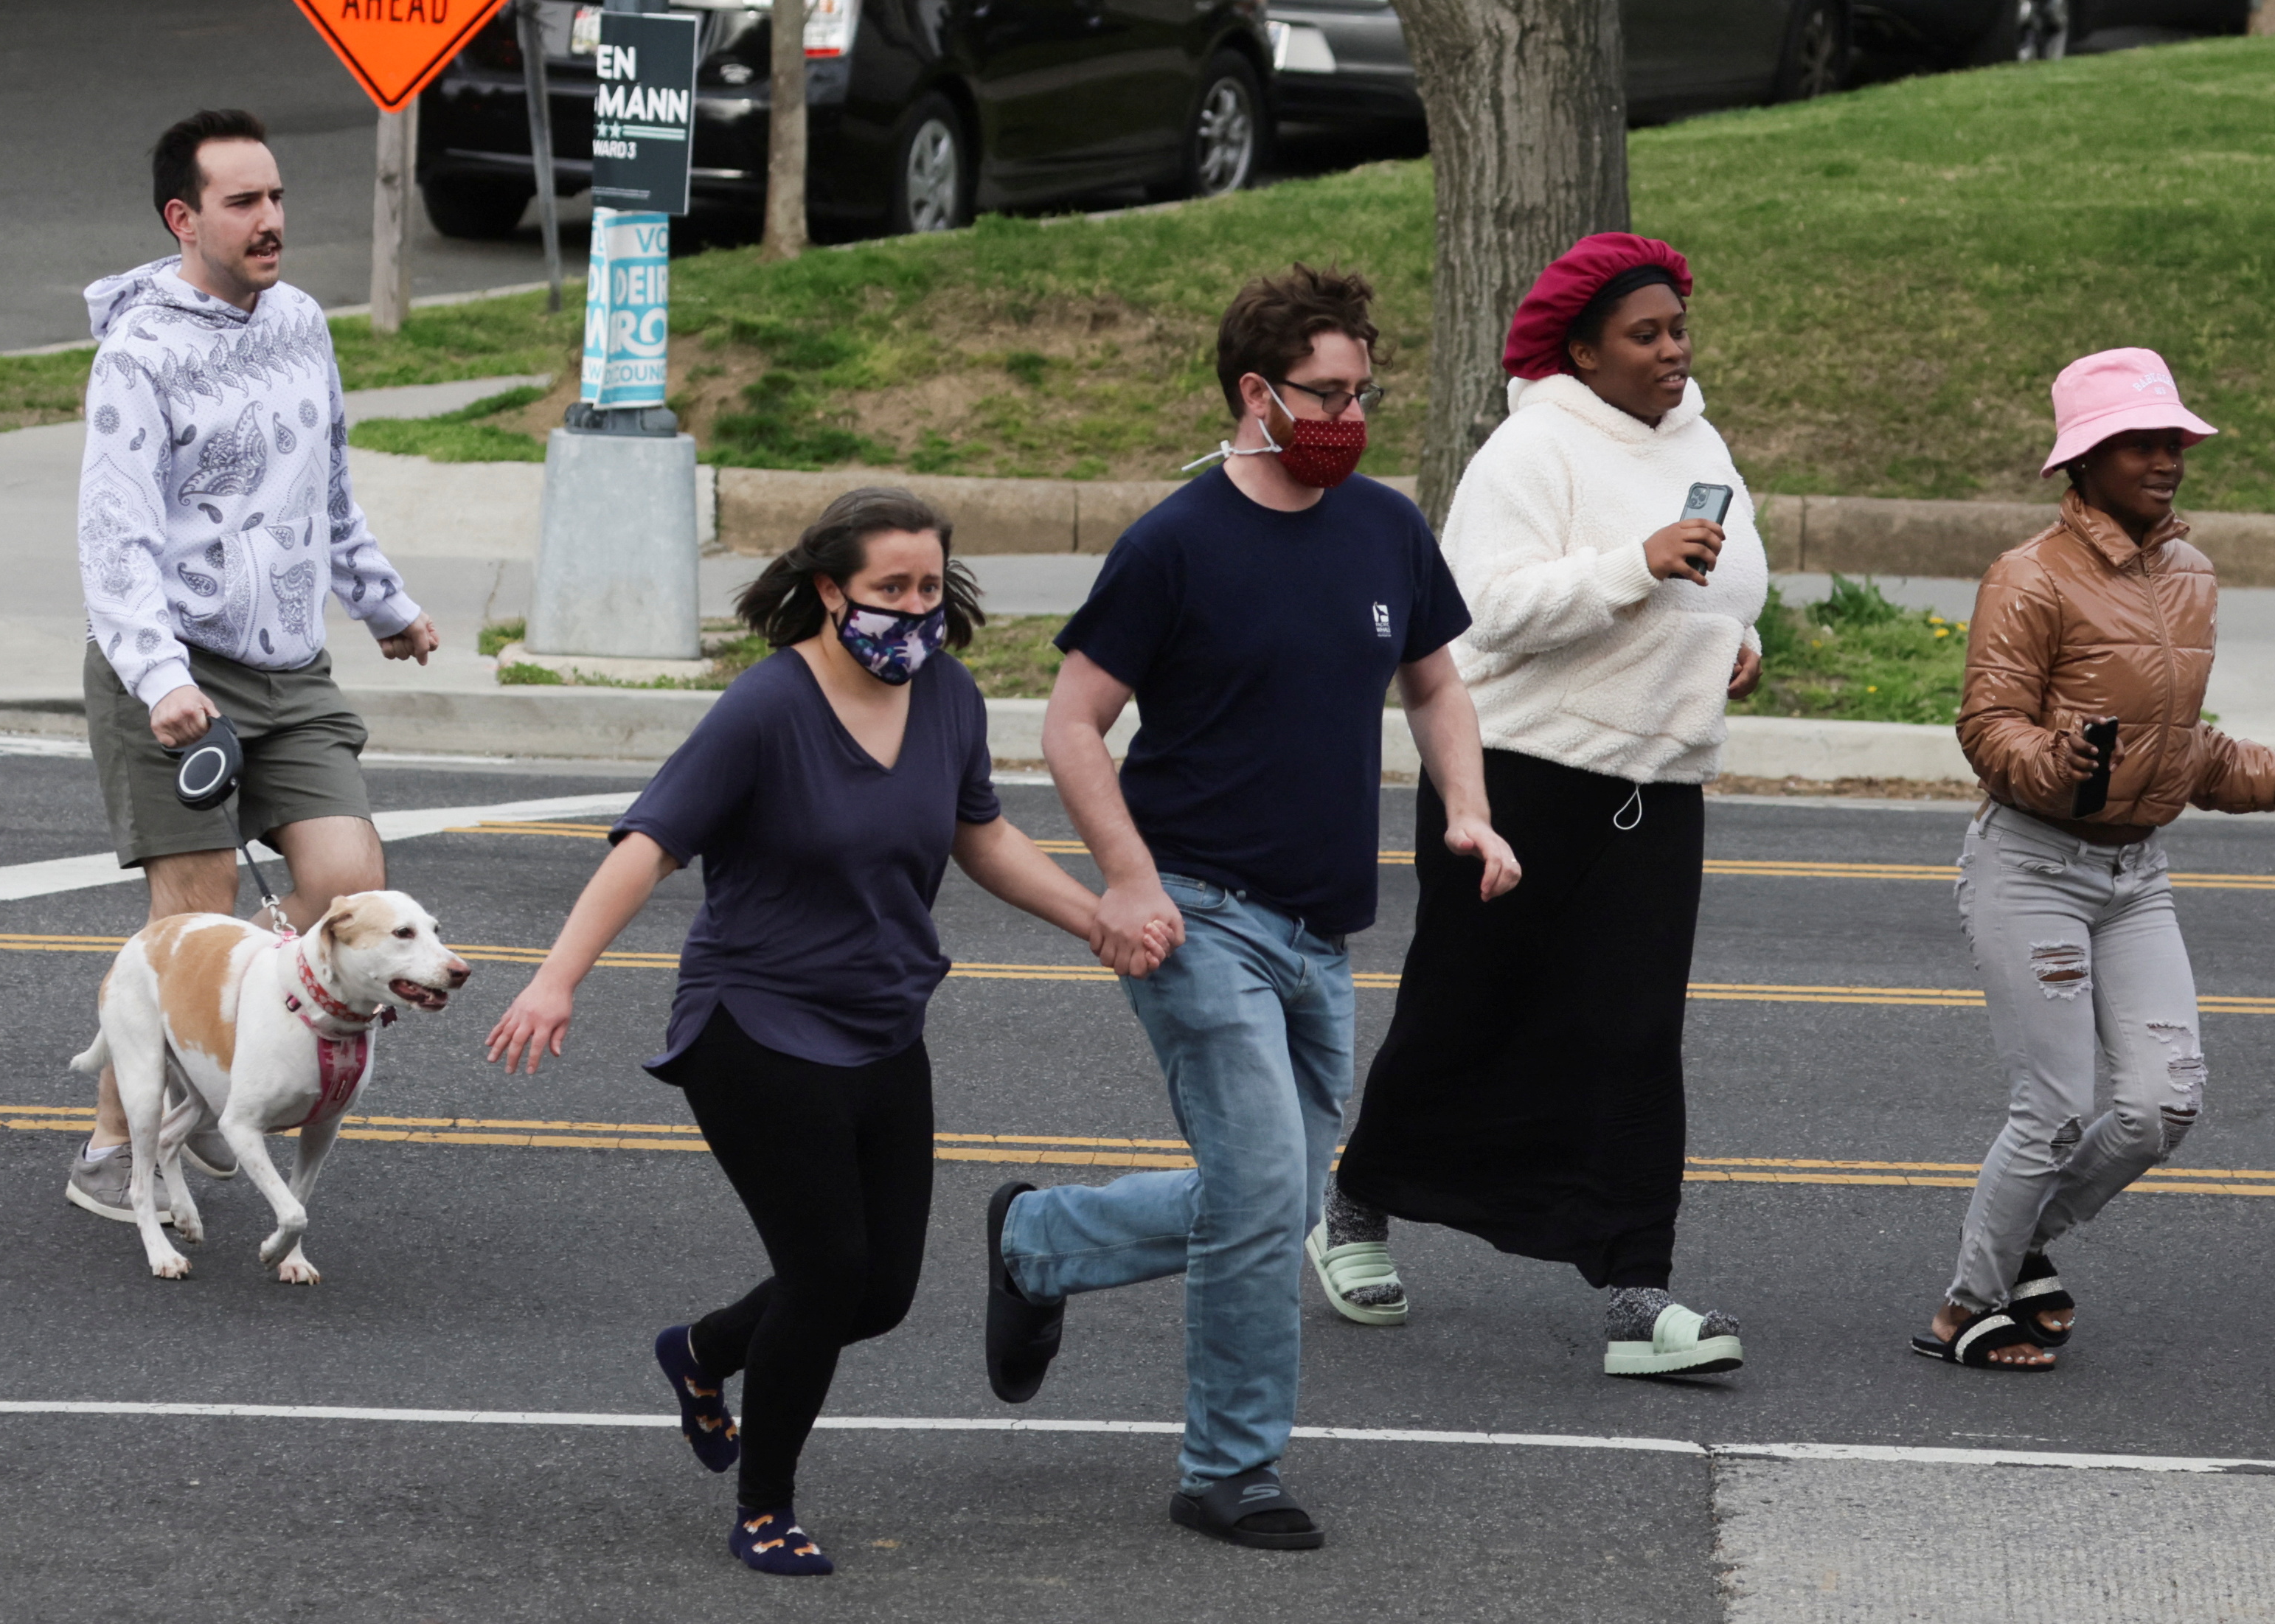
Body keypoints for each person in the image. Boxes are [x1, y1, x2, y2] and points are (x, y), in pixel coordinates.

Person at [486, 488, 1158, 1576]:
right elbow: (647, 845)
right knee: (825, 1270)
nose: (914, 608)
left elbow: (978, 836)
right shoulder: (765, 708)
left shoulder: (945, 695)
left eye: (930, 587)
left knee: (881, 1291)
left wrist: (1096, 919)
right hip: (754, 1022)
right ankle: (765, 1503)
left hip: (885, 1017)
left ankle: (703, 1352)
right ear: (831, 587)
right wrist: (556, 979)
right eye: (890, 588)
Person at [982, 265, 1520, 1552]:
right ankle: (1228, 1470)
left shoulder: (1383, 525)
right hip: (1196, 914)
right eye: (1324, 393)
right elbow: (1069, 728)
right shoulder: (1176, 543)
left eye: (1362, 390)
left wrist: (1468, 806)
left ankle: (1041, 1243)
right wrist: (1128, 880)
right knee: (1271, 1188)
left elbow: (1435, 684)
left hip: (1318, 927)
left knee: (1265, 1196)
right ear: (1254, 393)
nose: (1348, 413)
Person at [1319, 233, 1764, 1380]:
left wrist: (1734, 639)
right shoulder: (1530, 448)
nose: (1672, 350)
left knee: (1630, 1034)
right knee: (1470, 1011)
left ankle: (1634, 1287)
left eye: (1678, 328)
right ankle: (1357, 1205)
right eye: (1645, 334)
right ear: (1582, 350)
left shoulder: (1699, 436)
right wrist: (1637, 564)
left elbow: (1722, 578)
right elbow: (1488, 609)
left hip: (1656, 787)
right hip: (1517, 776)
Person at [1911, 348, 2275, 1371]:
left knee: (2164, 1101)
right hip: (2030, 864)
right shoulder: (2027, 577)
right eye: (2140, 444)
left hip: (2134, 874)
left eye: (2174, 442)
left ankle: (2019, 1242)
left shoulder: (2190, 577)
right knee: (2054, 1110)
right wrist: (2050, 759)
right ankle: (1963, 1307)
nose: (2166, 459)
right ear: (2086, 460)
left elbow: (2184, 748)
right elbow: (1986, 726)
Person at [67, 108, 442, 1223]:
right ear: (185, 219)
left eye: (276, 197)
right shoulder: (138, 356)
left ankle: (222, 1070)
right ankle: (111, 1147)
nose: (271, 220)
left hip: (289, 668)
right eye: (243, 202)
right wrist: (159, 676)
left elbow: (327, 490)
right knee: (195, 910)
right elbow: (114, 536)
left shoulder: (301, 324)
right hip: (175, 668)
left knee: (345, 877)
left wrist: (385, 604)